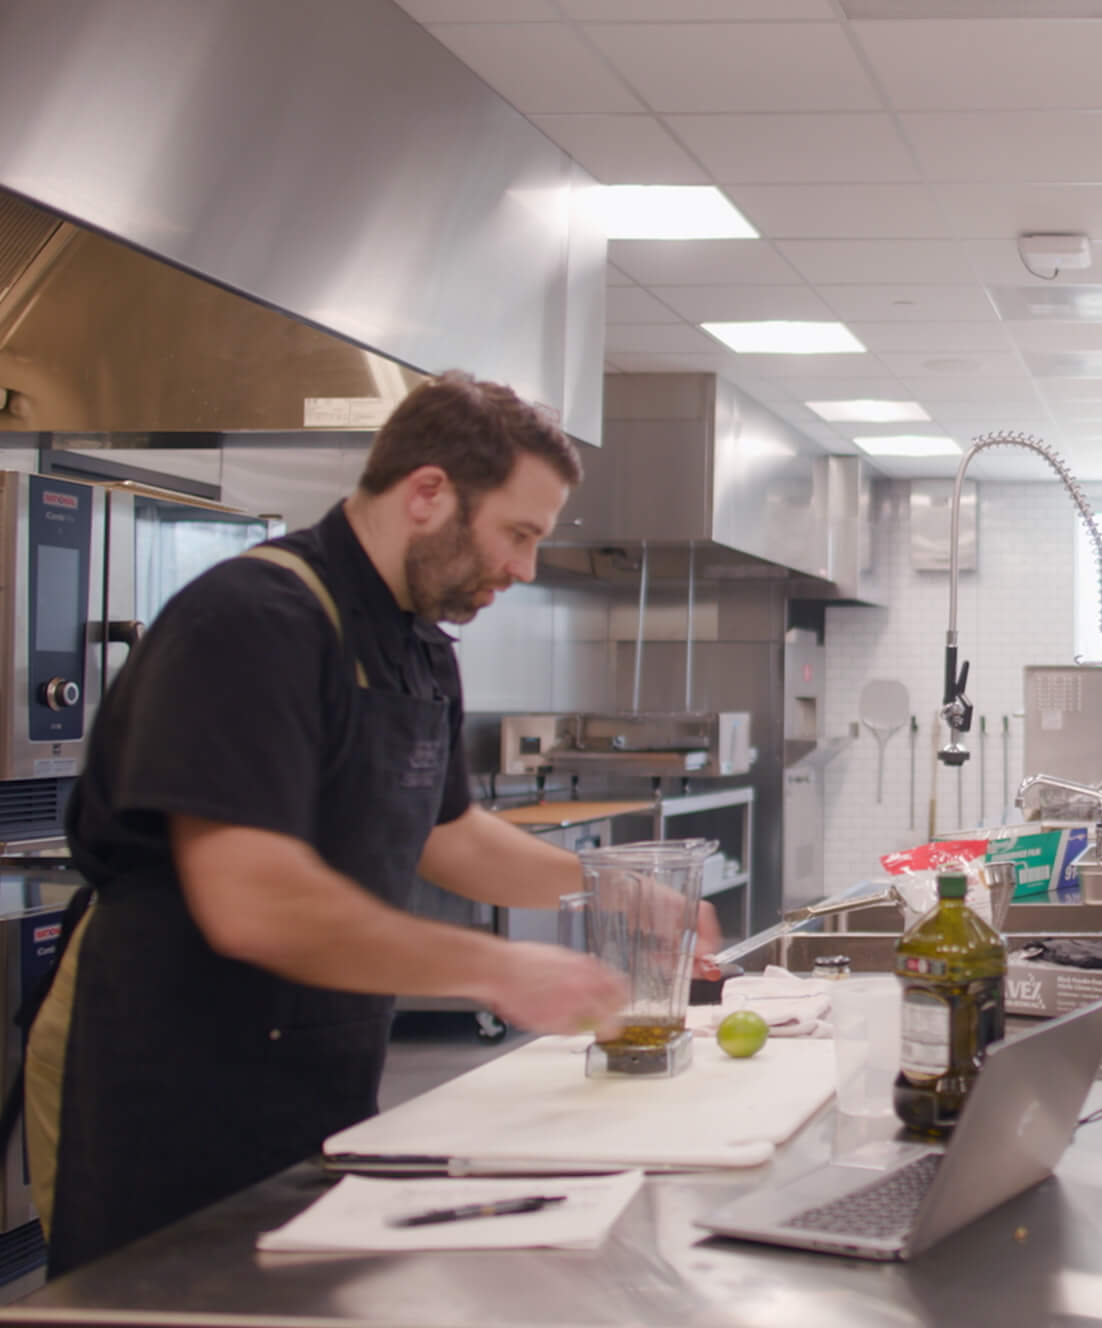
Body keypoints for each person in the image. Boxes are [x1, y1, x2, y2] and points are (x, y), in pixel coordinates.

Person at [25, 373, 717, 1274]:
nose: (523, 567)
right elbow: (255, 901)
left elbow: (449, 833)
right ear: (428, 493)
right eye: (518, 533)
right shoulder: (254, 620)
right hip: (169, 1070)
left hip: (317, 1063)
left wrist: (619, 892)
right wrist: (498, 967)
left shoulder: (417, 643)